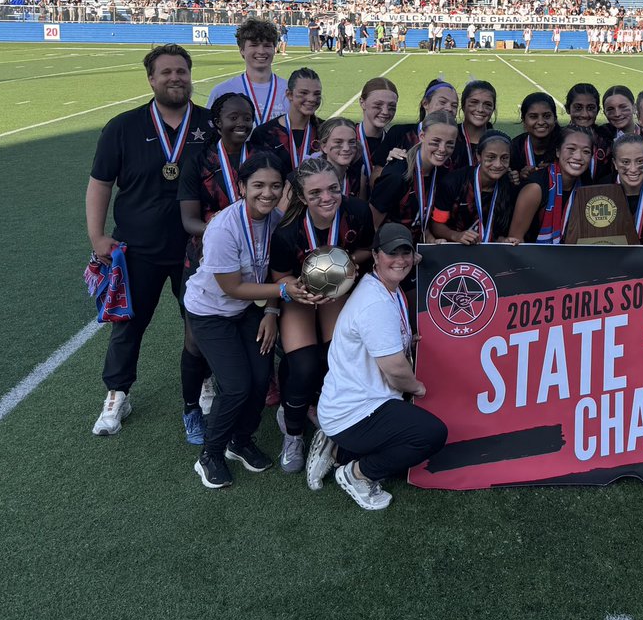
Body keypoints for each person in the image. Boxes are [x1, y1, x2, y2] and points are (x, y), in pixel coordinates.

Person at [87, 44, 212, 436]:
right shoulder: (123, 126)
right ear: (151, 79)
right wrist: (97, 236)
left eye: (182, 71)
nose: (176, 78)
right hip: (137, 247)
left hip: (197, 249)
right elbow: (100, 184)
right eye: (167, 72)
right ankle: (117, 393)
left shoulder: (210, 125)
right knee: (128, 323)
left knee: (201, 323)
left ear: (191, 76)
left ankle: (204, 385)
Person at [184, 154, 309, 487]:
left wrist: (271, 310)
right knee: (237, 385)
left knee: (259, 378)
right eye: (258, 185)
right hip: (210, 312)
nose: (266, 193)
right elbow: (233, 286)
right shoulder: (223, 227)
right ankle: (210, 454)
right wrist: (283, 291)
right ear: (241, 187)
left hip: (247, 309)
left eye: (274, 185)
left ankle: (240, 441)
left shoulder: (277, 219)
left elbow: (272, 268)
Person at [309, 223, 448, 510]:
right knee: (431, 434)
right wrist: (418, 388)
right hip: (357, 410)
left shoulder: (384, 285)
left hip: (354, 399)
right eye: (391, 253)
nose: (399, 259)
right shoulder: (375, 304)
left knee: (405, 440)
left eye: (405, 252)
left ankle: (337, 449)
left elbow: (404, 264)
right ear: (375, 255)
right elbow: (396, 370)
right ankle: (356, 474)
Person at [269, 156, 375, 475]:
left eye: (333, 188)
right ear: (301, 197)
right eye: (315, 193)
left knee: (336, 357)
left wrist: (343, 264)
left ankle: (335, 419)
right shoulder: (287, 231)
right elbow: (279, 277)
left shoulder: (356, 211)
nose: (327, 197)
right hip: (301, 295)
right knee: (303, 364)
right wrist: (299, 289)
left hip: (337, 292)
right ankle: (293, 431)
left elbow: (368, 249)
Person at [178, 91, 257, 438]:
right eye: (233, 117)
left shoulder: (263, 156)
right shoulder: (199, 161)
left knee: (248, 327)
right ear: (216, 122)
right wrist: (226, 231)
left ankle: (242, 395)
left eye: (246, 117)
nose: (241, 123)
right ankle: (191, 408)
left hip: (256, 259)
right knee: (194, 340)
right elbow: (189, 220)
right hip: (205, 259)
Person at [371, 111, 459, 244]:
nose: (442, 149)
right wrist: (402, 253)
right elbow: (372, 226)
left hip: (417, 251)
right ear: (422, 136)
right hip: (391, 253)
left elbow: (421, 218)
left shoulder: (442, 172)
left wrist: (431, 240)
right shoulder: (397, 175)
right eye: (436, 141)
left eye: (450, 144)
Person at [508, 126, 593, 243]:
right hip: (532, 259)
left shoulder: (587, 187)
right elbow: (514, 240)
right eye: (571, 149)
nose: (578, 157)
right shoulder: (535, 188)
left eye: (586, 151)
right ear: (558, 151)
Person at [430, 130, 517, 244]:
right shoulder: (453, 182)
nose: (498, 164)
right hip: (452, 251)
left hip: (487, 254)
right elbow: (436, 224)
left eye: (504, 158)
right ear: (478, 156)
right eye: (491, 157)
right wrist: (456, 236)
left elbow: (495, 232)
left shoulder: (510, 186)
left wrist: (503, 240)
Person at [207, 18, 289, 128]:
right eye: (254, 45)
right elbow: (210, 132)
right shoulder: (222, 91)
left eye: (267, 45)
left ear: (274, 49)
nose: (261, 51)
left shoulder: (289, 91)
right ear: (242, 50)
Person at [249, 68, 324, 173]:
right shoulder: (264, 133)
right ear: (289, 94)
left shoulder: (325, 130)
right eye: (304, 93)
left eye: (317, 94)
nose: (312, 99)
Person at [379, 79, 459, 164]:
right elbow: (376, 173)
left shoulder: (457, 141)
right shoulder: (399, 133)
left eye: (454, 105)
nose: (449, 108)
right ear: (425, 103)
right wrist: (389, 166)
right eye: (442, 102)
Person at [356, 76, 399, 186]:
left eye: (391, 106)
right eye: (378, 105)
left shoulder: (396, 143)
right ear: (362, 102)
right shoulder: (345, 140)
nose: (385, 111)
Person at [510, 92, 560, 181]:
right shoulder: (515, 147)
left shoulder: (565, 144)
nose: (541, 122)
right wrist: (520, 177)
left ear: (555, 118)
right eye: (533, 117)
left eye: (547, 116)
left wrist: (558, 171)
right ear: (524, 120)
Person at [318, 117, 367, 199]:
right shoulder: (308, 176)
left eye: (351, 142)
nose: (346, 148)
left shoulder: (359, 174)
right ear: (324, 147)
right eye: (338, 142)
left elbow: (361, 208)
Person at [457, 80, 497, 170]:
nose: (480, 109)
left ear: (493, 109)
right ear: (463, 105)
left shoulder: (500, 141)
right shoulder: (450, 138)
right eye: (474, 102)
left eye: (487, 104)